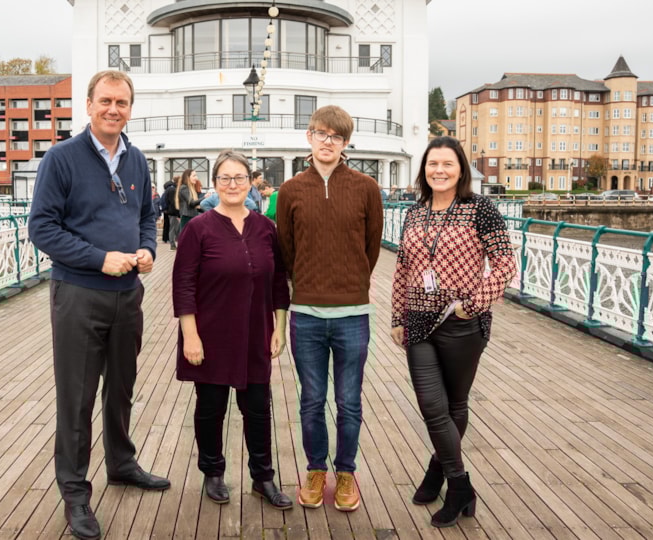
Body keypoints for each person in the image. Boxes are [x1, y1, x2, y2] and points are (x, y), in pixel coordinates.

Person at [28, 69, 170, 540]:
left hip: (128, 294)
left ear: (130, 109)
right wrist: (98, 258)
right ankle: (75, 493)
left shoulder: (137, 159)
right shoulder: (61, 158)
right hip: (78, 294)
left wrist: (146, 247)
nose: (113, 109)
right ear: (88, 105)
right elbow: (41, 228)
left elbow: (147, 216)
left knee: (122, 387)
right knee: (77, 397)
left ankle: (122, 463)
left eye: (121, 102)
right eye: (105, 101)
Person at [389, 136, 515, 528]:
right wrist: (397, 316)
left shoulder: (480, 209)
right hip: (418, 320)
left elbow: (505, 263)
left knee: (455, 405)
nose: (439, 170)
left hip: (462, 324)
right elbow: (404, 268)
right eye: (433, 164)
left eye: (447, 164)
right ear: (424, 169)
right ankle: (460, 485)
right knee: (432, 406)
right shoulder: (415, 213)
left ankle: (437, 471)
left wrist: (472, 305)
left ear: (460, 170)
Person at [275, 105, 383, 512]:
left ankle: (347, 472)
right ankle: (316, 469)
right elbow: (286, 248)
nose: (327, 141)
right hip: (306, 313)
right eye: (321, 133)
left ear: (345, 143)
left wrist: (351, 281)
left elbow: (371, 246)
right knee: (311, 400)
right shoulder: (290, 190)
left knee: (349, 401)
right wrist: (307, 282)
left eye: (336, 136)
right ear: (309, 136)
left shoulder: (366, 187)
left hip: (352, 313)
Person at [172, 150, 293, 511]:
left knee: (258, 407)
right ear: (215, 183)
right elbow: (183, 285)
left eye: (239, 177)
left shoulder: (266, 228)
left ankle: (263, 477)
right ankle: (212, 472)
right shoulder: (198, 229)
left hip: (255, 331)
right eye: (224, 178)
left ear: (249, 183)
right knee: (211, 408)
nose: (232, 184)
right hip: (211, 333)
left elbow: (279, 281)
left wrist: (279, 327)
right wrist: (191, 336)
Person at [163, 176, 180, 250]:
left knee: (175, 228)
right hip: (173, 212)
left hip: (171, 212)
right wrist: (177, 213)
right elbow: (174, 202)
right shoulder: (172, 190)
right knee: (173, 229)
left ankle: (175, 244)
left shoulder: (169, 188)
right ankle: (172, 245)